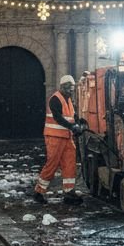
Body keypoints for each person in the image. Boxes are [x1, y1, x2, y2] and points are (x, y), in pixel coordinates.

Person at [34, 75, 83, 204]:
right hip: (54, 137)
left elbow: (71, 117)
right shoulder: (55, 99)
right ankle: (39, 191)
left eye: (71, 88)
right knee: (52, 164)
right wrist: (73, 126)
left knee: (69, 164)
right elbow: (58, 118)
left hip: (66, 137)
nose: (70, 90)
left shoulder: (68, 100)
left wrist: (78, 123)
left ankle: (69, 192)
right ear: (61, 87)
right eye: (67, 87)